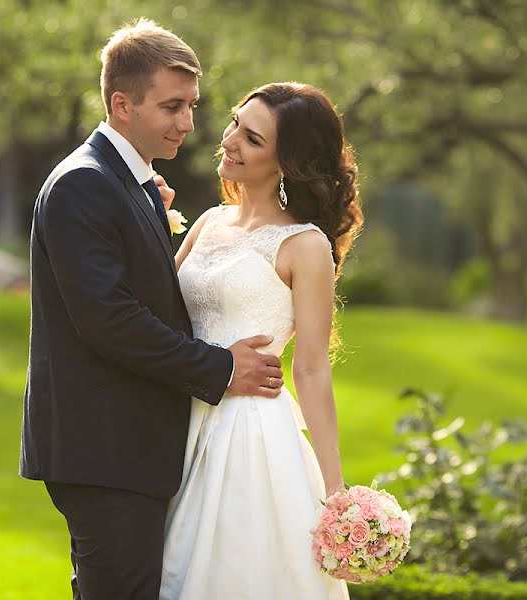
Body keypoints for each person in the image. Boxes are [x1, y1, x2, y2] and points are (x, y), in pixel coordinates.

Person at [19, 19, 285, 600]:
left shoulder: (129, 182)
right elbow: (109, 319)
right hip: (104, 448)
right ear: (122, 104)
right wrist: (221, 368)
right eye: (171, 107)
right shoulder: (82, 185)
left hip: (130, 445)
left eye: (191, 105)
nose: (188, 123)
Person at [159, 82, 363, 599]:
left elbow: (312, 369)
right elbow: (156, 314)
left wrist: (335, 490)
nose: (228, 141)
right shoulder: (206, 223)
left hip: (247, 436)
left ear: (287, 162)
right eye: (234, 123)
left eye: (251, 139)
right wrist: (148, 220)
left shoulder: (305, 246)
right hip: (175, 416)